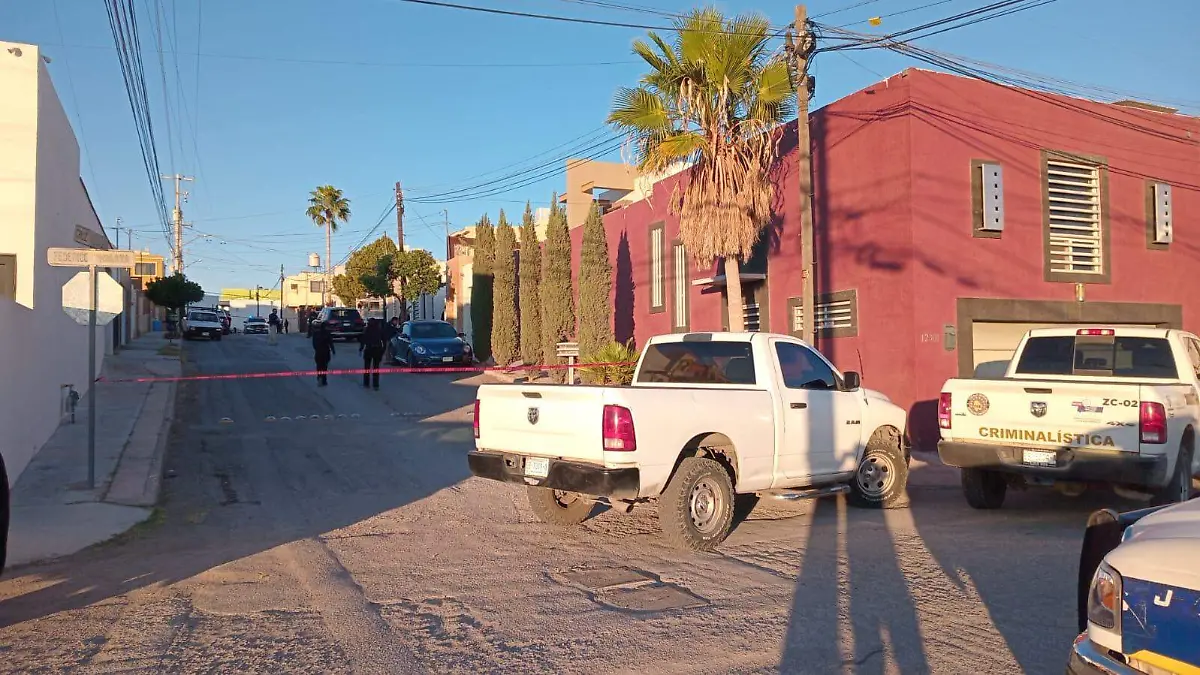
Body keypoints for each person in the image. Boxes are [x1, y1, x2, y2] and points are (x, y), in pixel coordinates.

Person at [359, 318, 387, 390]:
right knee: (376, 368)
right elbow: (384, 341)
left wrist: (361, 349)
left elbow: (363, 340)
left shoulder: (367, 330)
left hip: (368, 349)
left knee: (367, 367)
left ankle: (366, 383)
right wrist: (383, 350)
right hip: (377, 350)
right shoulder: (379, 330)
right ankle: (375, 384)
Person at [312, 321, 335, 386]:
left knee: (319, 366)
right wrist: (333, 350)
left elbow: (314, 343)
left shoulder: (316, 333)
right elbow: (330, 343)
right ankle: (324, 380)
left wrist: (317, 349)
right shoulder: (327, 333)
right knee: (324, 367)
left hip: (318, 352)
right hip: (325, 352)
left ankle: (319, 377)